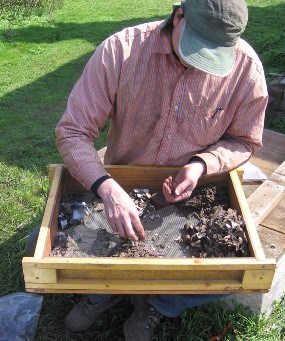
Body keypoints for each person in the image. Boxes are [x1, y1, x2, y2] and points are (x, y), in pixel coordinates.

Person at [54, 0, 268, 339]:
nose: (201, 62)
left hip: (193, 196)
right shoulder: (121, 51)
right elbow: (73, 131)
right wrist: (107, 188)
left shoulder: (245, 70)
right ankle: (104, 292)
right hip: (122, 184)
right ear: (178, 15)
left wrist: (201, 165)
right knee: (46, 243)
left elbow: (244, 140)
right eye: (197, 47)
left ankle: (159, 303)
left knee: (234, 274)